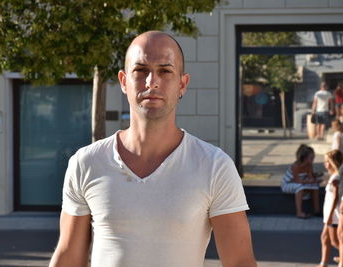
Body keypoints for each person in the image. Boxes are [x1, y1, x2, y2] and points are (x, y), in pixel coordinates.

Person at [49, 31, 257, 267]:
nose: (152, 81)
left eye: (165, 71)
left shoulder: (214, 166)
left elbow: (240, 262)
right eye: (141, 70)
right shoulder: (86, 163)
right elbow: (68, 258)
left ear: (182, 84)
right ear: (123, 81)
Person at [280, 144, 320, 218]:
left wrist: (314, 180)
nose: (313, 159)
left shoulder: (309, 166)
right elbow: (297, 180)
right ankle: (299, 212)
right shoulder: (295, 166)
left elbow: (310, 178)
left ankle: (317, 210)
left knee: (315, 187)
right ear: (305, 158)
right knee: (300, 187)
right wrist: (309, 181)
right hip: (287, 184)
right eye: (311, 158)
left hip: (300, 183)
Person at [318, 149, 343, 267]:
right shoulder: (334, 176)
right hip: (329, 215)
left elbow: (335, 199)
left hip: (333, 216)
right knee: (324, 237)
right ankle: (323, 263)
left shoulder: (336, 178)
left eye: (327, 161)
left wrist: (329, 216)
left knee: (335, 242)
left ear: (333, 162)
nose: (325, 164)